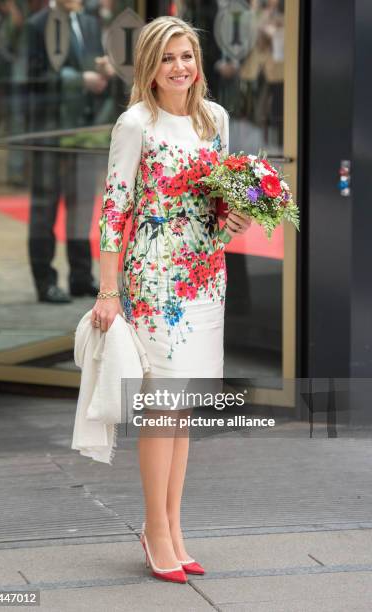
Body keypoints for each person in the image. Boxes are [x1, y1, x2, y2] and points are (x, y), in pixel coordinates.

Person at [91, 16, 251, 582]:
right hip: (155, 279)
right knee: (162, 407)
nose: (180, 67)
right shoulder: (135, 123)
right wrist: (108, 290)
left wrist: (234, 218)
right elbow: (114, 208)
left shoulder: (217, 120)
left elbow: (223, 199)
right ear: (149, 67)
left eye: (187, 56)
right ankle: (155, 530)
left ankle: (173, 527)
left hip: (207, 274)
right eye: (168, 58)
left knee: (182, 410)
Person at [27, 0, 113, 303]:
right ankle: (45, 281)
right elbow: (33, 78)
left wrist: (103, 69)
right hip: (50, 132)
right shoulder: (37, 24)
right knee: (45, 207)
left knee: (82, 207)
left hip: (83, 133)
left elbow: (89, 65)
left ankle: (80, 276)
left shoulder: (89, 23)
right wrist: (80, 80)